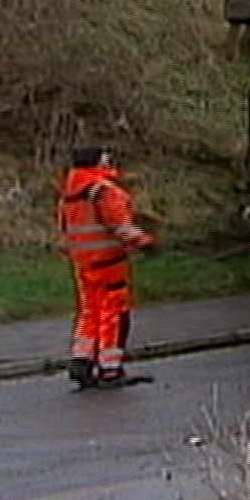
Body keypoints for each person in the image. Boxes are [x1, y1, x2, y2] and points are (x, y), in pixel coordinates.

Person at [56, 145, 156, 390]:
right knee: (113, 314)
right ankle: (110, 369)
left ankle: (82, 360)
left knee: (90, 312)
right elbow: (120, 227)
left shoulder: (70, 194)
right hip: (109, 262)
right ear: (99, 163)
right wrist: (146, 242)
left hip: (82, 262)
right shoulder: (104, 191)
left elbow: (65, 230)